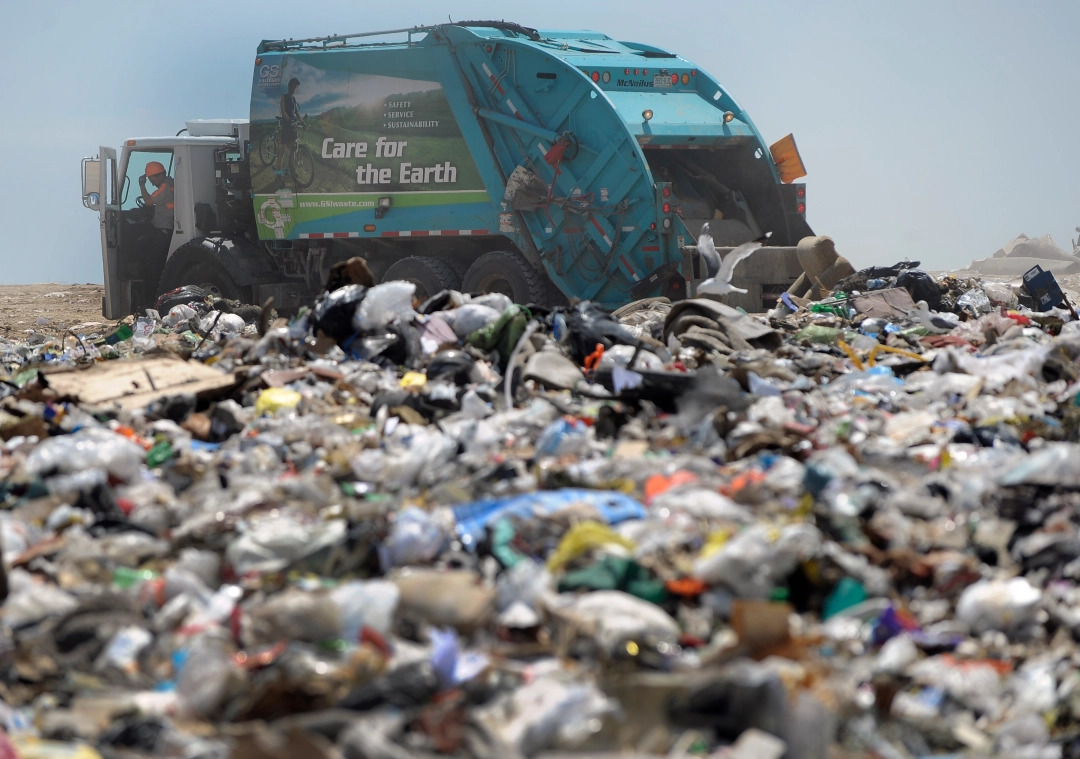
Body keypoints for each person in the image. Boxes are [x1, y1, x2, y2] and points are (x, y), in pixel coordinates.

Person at [275, 77, 304, 172]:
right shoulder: (284, 97)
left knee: (293, 148)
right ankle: (277, 176)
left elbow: (296, 112)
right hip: (287, 125)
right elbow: (283, 112)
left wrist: (302, 122)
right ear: (289, 86)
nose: (295, 88)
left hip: (293, 126)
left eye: (296, 87)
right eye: (293, 86)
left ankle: (292, 169)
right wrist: (289, 120)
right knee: (282, 150)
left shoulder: (294, 99)